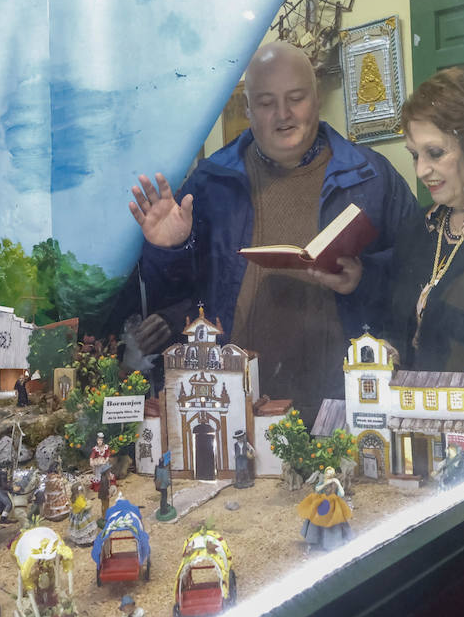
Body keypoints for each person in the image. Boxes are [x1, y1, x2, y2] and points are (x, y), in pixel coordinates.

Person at [129, 41, 415, 421]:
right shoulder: (211, 182)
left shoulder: (374, 177)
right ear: (247, 110)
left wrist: (364, 278)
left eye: (296, 98)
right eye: (266, 103)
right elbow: (177, 296)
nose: (283, 115)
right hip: (236, 408)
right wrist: (170, 249)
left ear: (316, 99)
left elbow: (417, 282)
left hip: (345, 403)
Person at [334, 66, 464, 370]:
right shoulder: (418, 226)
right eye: (414, 155)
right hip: (415, 409)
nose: (421, 170)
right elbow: (397, 322)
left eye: (435, 153)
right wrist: (389, 350)